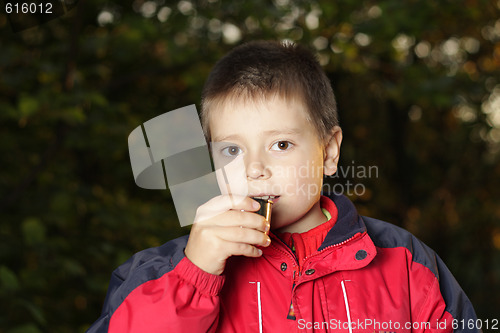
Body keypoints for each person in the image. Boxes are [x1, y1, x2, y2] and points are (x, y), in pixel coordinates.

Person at [86, 41, 479, 333]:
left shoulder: (405, 263)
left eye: (281, 144)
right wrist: (196, 276)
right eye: (232, 149)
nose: (255, 168)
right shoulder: (165, 273)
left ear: (328, 153)